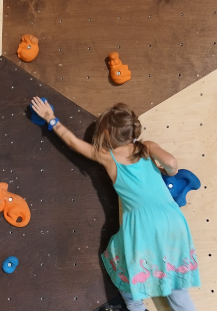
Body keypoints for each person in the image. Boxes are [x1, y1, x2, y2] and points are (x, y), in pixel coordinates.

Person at [31, 97, 200, 311]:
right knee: (176, 284)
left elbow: (74, 143)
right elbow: (172, 163)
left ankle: (134, 305)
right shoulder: (146, 147)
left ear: (107, 134)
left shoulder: (107, 157)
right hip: (171, 219)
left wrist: (51, 119)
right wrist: (169, 172)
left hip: (141, 224)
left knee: (118, 259)